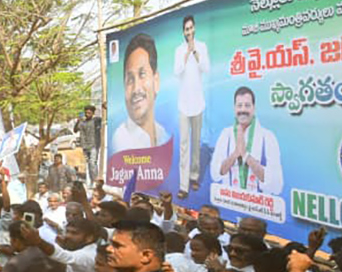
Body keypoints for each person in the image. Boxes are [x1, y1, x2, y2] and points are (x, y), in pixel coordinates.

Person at [210, 86, 283, 195]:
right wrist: (235, 154)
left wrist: (246, 155)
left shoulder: (267, 137)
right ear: (234, 108)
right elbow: (215, 174)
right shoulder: (226, 135)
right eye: (239, 105)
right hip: (230, 203)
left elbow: (276, 186)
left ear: (254, 108)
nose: (243, 110)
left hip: (257, 207)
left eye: (247, 105)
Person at [112, 33, 169, 152]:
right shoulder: (121, 140)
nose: (136, 88)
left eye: (142, 74)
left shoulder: (163, 135)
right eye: (130, 79)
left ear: (156, 81)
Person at [175, 15, 210, 199]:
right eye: (186, 29)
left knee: (196, 142)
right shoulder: (179, 50)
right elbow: (177, 71)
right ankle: (183, 185)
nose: (189, 32)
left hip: (198, 103)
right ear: (183, 32)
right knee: (184, 145)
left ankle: (194, 176)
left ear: (194, 29)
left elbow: (206, 68)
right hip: (183, 103)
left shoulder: (202, 47)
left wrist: (195, 52)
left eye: (191, 28)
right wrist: (187, 53)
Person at [75, 105, 103, 183]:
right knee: (89, 165)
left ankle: (95, 181)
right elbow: (75, 130)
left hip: (94, 145)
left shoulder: (96, 120)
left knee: (92, 163)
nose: (87, 114)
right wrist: (78, 121)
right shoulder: (82, 122)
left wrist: (105, 108)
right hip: (85, 146)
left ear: (93, 113)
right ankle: (92, 180)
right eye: (86, 113)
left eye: (89, 113)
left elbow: (105, 119)